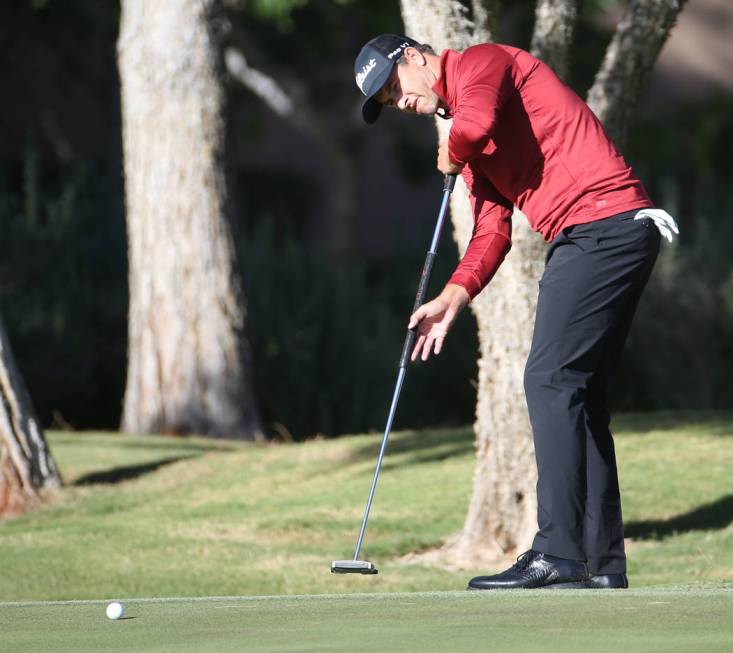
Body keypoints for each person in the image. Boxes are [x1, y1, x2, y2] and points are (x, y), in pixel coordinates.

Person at [353, 34, 678, 590]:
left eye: (393, 88)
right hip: (602, 232)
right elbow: (490, 232)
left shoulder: (482, 63)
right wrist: (452, 297)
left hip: (601, 226)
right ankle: (601, 563)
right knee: (578, 393)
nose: (398, 102)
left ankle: (557, 552)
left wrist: (451, 151)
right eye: (386, 102)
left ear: (413, 56)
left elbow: (473, 127)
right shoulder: (472, 142)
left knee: (550, 380)